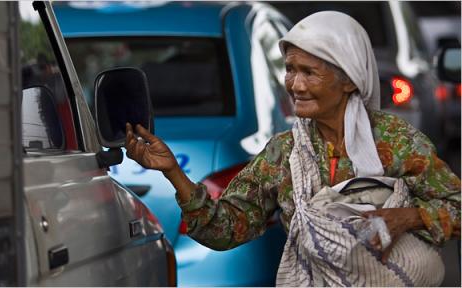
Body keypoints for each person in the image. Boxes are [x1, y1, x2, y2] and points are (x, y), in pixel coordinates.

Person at [125, 11, 460, 286]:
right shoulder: (284, 153)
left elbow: (456, 207)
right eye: (290, 70)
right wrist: (173, 173)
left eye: (309, 73)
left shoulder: (396, 142)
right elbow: (223, 230)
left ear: (349, 80)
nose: (295, 85)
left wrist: (406, 217)